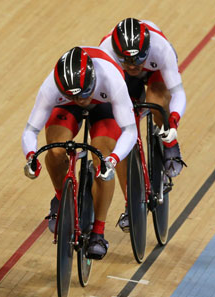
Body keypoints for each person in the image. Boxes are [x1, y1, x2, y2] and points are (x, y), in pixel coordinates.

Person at [22, 46, 137, 259]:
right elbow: (31, 130)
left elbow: (130, 130)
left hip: (104, 105)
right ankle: (60, 199)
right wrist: (30, 156)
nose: (81, 100)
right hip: (66, 108)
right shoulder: (52, 86)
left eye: (84, 94)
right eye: (74, 95)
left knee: (102, 158)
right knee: (55, 150)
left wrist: (112, 160)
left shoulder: (111, 80)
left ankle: (98, 233)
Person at [99, 18, 187, 232]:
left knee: (157, 101)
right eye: (126, 60)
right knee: (121, 133)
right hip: (120, 78)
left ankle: (169, 145)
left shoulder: (160, 48)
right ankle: (132, 203)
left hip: (154, 71)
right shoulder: (106, 52)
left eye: (136, 59)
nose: (132, 65)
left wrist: (173, 121)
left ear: (146, 50)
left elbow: (178, 93)